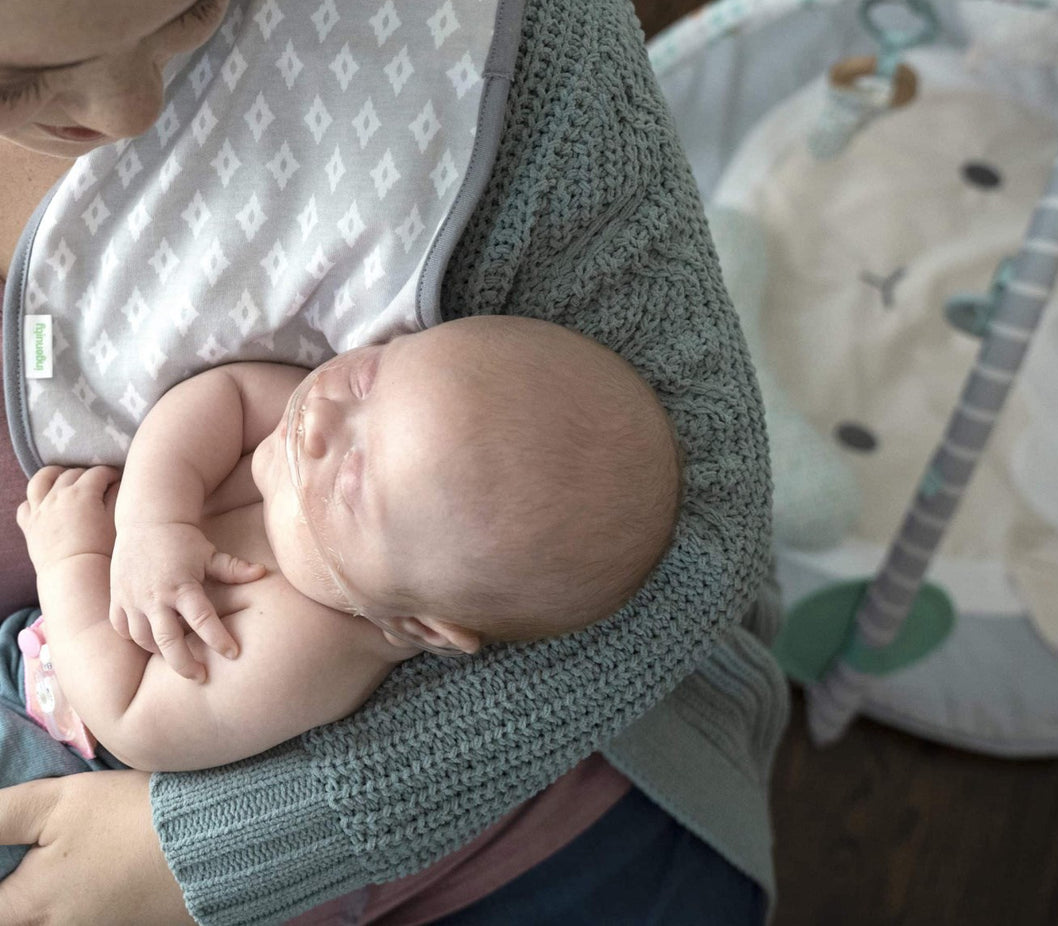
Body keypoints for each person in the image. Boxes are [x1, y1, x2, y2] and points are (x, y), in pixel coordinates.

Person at [0, 0, 786, 924]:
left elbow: (702, 502)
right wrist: (142, 523)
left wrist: (213, 845)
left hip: (471, 760)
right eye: (14, 74)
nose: (128, 111)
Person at [0, 315, 679, 871]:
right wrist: (154, 518)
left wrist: (73, 558)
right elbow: (226, 394)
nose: (318, 420)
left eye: (351, 485)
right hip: (46, 651)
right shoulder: (331, 423)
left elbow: (131, 716)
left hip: (60, 745)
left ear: (417, 624)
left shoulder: (307, 643)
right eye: (367, 373)